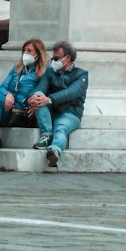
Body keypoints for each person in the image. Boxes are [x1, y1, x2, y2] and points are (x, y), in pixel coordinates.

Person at [27, 40, 89, 168]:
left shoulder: (81, 74)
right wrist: (32, 98)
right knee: (39, 96)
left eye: (57, 58)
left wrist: (49, 99)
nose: (53, 61)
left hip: (70, 113)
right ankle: (46, 136)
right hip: (51, 111)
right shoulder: (50, 72)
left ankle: (55, 150)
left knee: (61, 128)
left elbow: (71, 93)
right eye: (53, 57)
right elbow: (41, 87)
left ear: (68, 58)